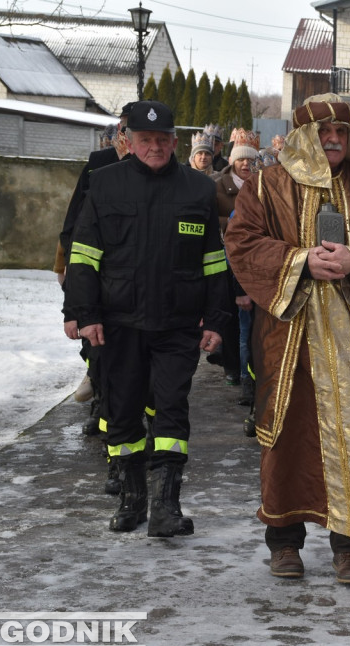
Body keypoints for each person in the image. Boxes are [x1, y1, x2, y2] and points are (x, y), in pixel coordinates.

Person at [224, 94, 350, 585]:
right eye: (323, 132)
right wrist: (300, 260)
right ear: (305, 135)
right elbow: (241, 242)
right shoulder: (267, 184)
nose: (333, 140)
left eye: (342, 132)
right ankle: (284, 543)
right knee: (288, 435)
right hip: (288, 339)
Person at [64, 100, 230, 538]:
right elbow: (83, 256)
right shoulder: (103, 185)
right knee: (121, 413)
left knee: (172, 411)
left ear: (174, 141)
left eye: (162, 140)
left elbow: (214, 262)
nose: (154, 147)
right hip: (118, 324)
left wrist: (216, 319)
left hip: (178, 325)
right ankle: (133, 499)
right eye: (145, 140)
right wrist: (84, 313)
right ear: (129, 141)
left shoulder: (197, 189)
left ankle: (166, 507)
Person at [58, 101, 133, 494]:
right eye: (124, 130)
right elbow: (73, 224)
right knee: (102, 363)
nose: (127, 138)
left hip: (137, 292)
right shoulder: (99, 163)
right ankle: (102, 414)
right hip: (98, 282)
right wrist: (66, 267)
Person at [214, 129, 260, 390]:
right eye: (241, 159)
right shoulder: (218, 185)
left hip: (252, 262)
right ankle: (236, 369)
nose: (246, 164)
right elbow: (210, 218)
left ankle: (247, 375)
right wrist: (235, 221)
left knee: (249, 326)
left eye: (250, 160)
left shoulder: (262, 185)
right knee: (233, 321)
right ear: (233, 161)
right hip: (226, 258)